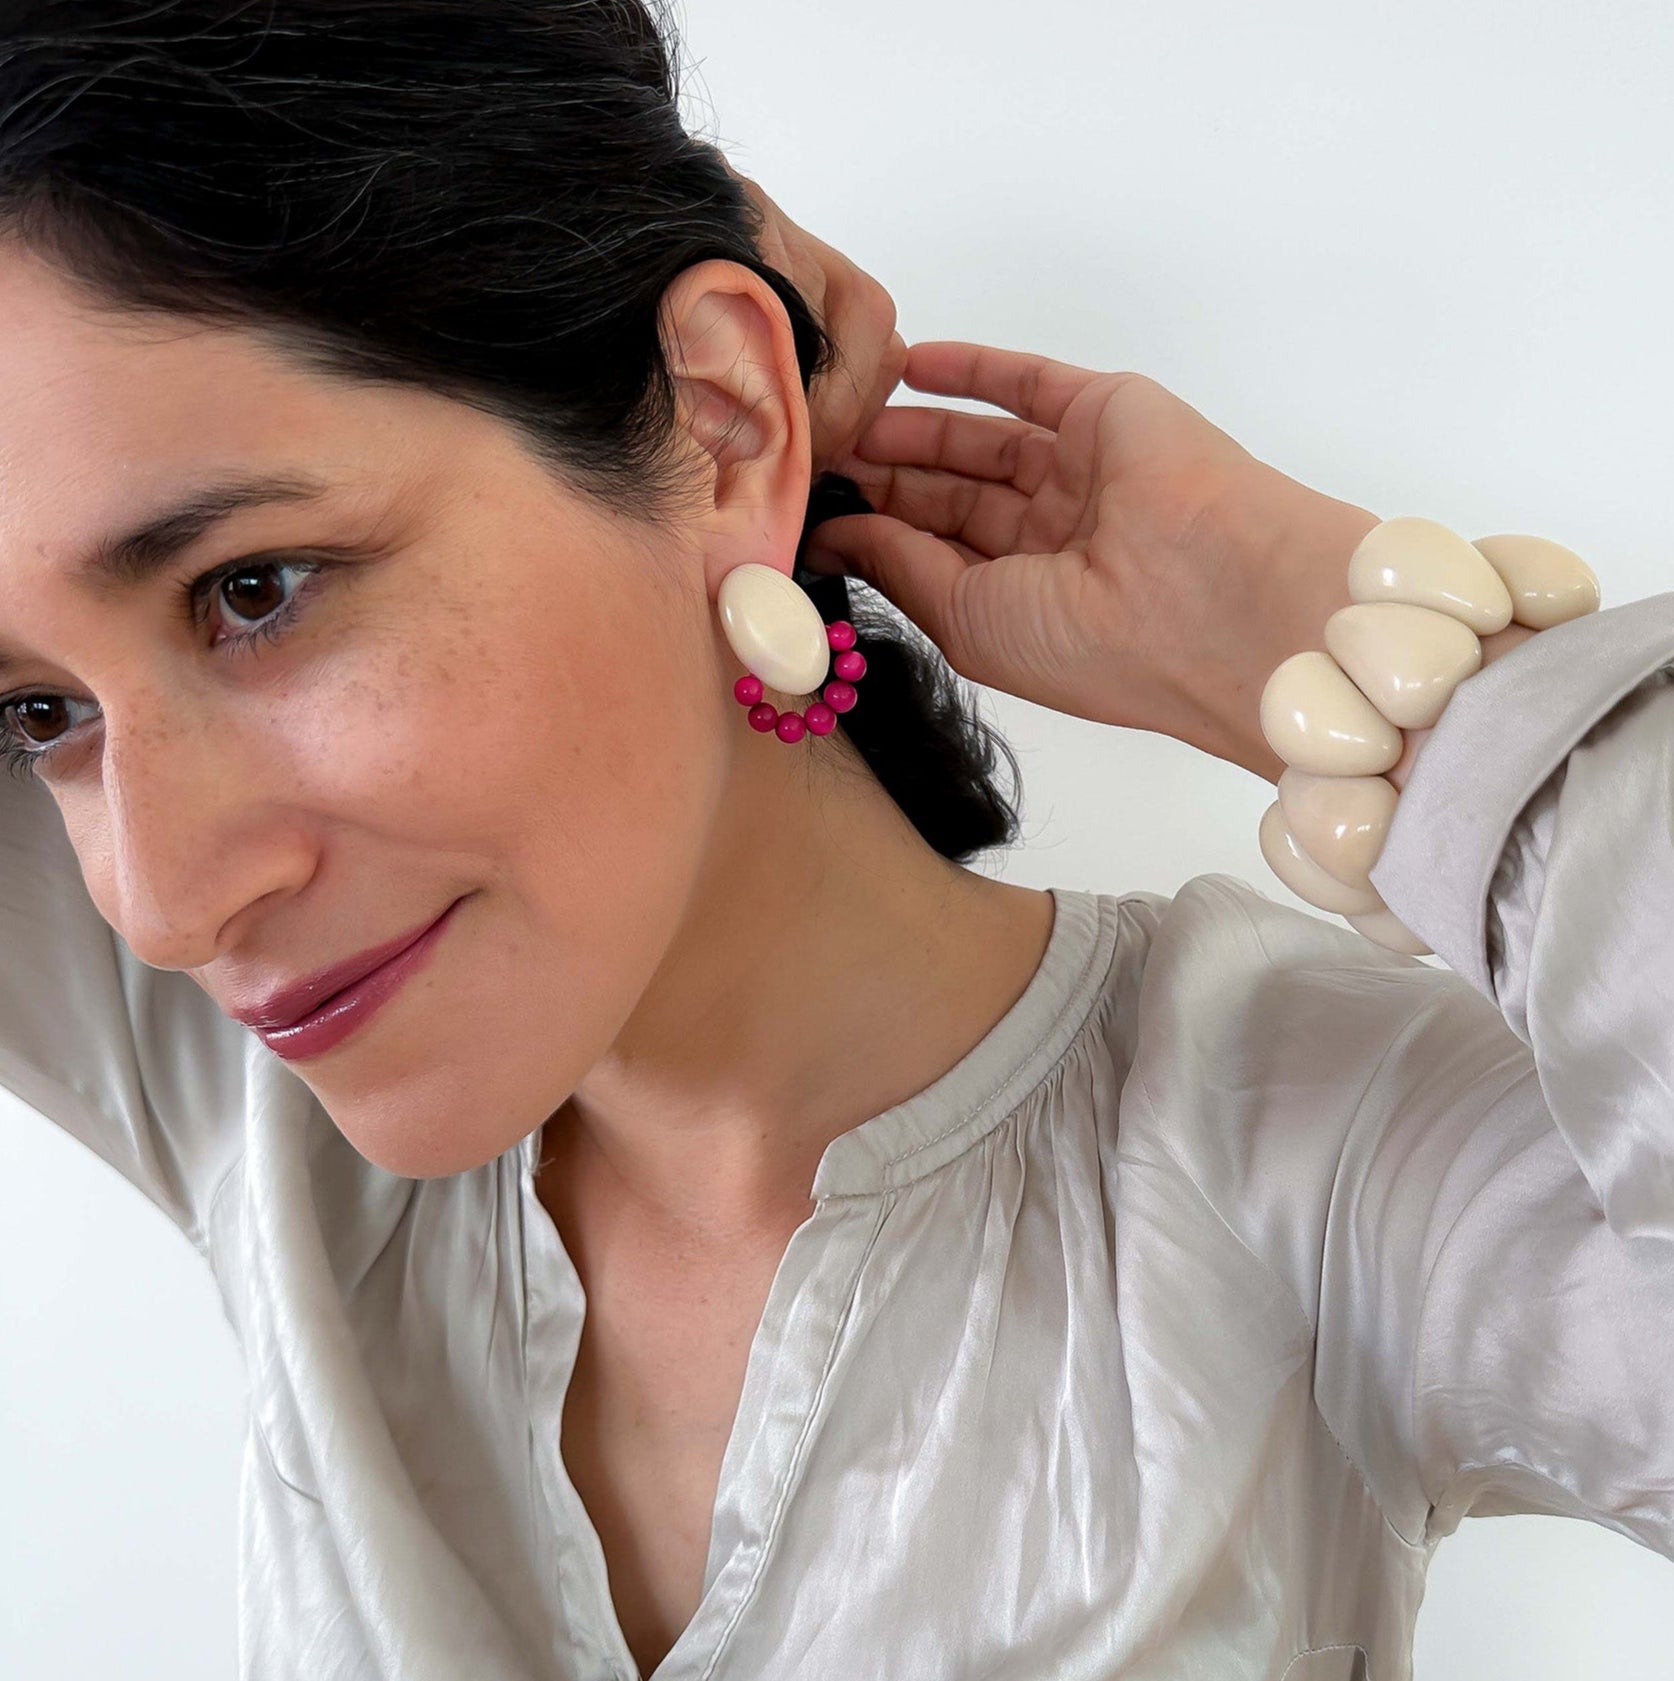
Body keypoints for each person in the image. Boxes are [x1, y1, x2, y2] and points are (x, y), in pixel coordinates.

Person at [1, 4, 1669, 1680]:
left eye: (254, 591)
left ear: (722, 422)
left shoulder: (1318, 1155)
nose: (158, 903)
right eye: (37, 712)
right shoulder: (270, 1103)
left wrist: (1350, 658)